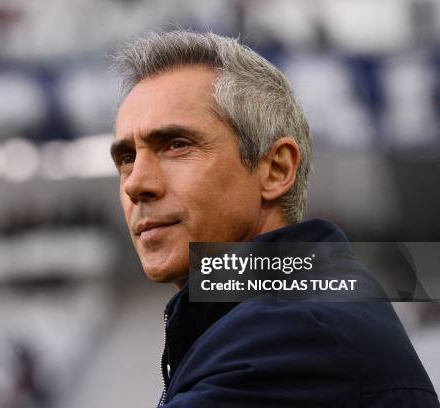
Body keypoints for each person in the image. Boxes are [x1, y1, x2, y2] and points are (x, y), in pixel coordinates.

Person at [109, 30, 439, 407]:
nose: (136, 183)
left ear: (276, 170)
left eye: (176, 145)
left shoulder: (298, 329)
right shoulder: (292, 309)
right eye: (126, 158)